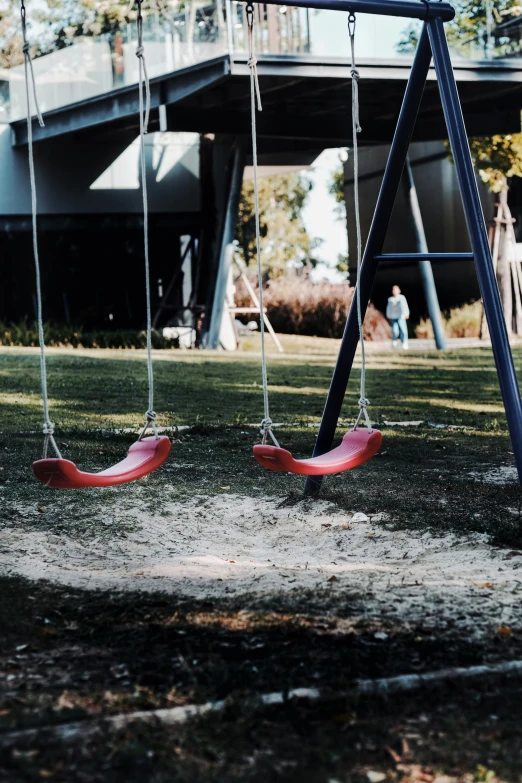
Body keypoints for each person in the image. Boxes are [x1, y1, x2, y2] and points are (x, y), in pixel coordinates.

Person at [386, 284, 410, 349]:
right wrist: (389, 315)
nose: (394, 291)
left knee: (403, 330)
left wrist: (406, 313)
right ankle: (394, 341)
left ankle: (404, 342)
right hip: (394, 317)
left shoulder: (402, 298)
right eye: (393, 290)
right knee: (395, 331)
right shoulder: (390, 299)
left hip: (401, 317)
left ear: (399, 291)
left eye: (396, 290)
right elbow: (389, 308)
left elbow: (404, 306)